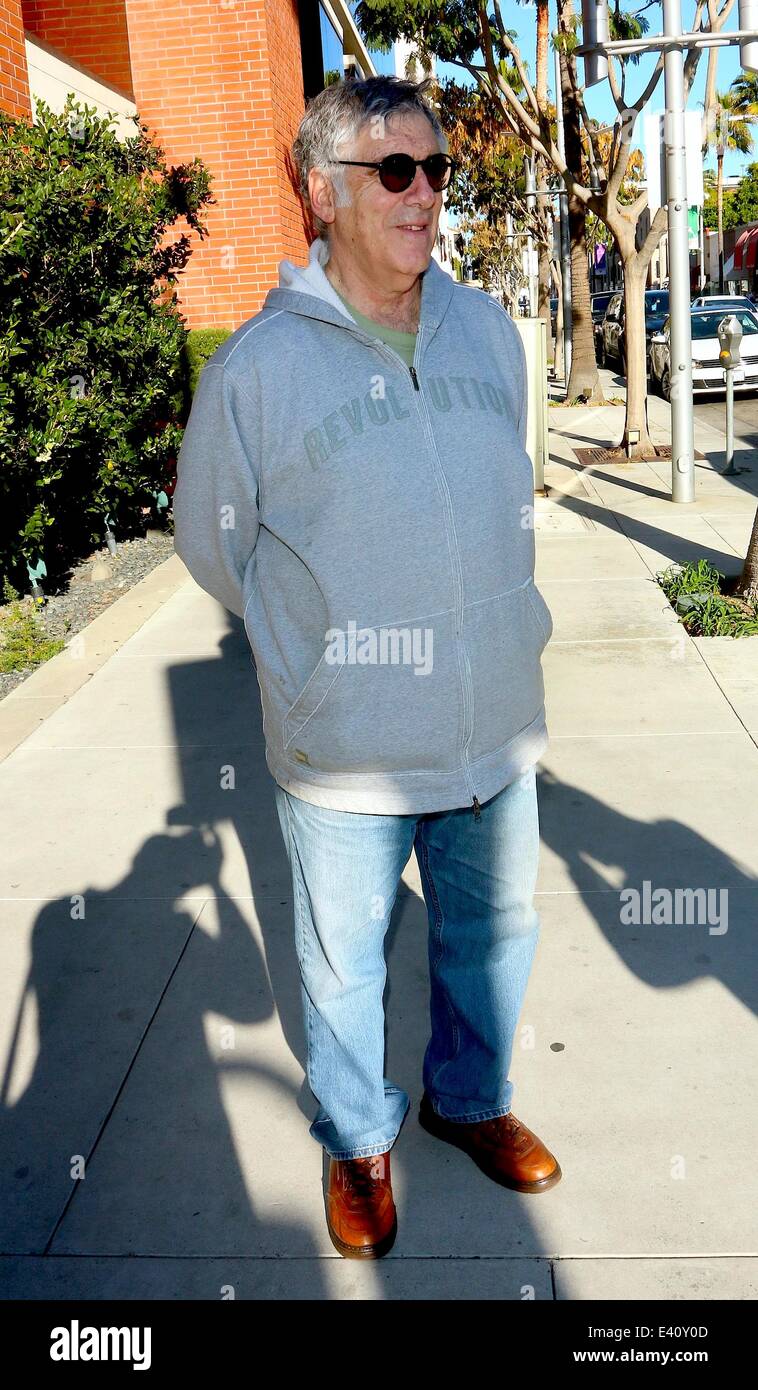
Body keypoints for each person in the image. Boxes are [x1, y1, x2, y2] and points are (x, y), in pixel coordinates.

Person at [172, 73, 561, 1262]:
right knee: (343, 970)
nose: (423, 193)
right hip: (342, 750)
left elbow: (513, 495)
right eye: (394, 170)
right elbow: (213, 543)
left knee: (489, 937)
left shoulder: (488, 332)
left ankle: (469, 1098)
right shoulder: (256, 372)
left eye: (434, 168)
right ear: (319, 190)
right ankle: (358, 1137)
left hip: (491, 723)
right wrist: (317, 655)